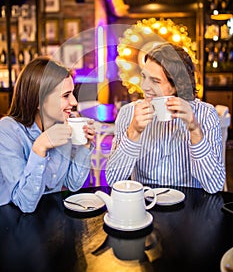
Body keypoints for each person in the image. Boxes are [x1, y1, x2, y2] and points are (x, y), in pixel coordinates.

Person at [106, 43, 225, 194]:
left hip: (189, 207)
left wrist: (195, 130)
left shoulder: (206, 114)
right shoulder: (128, 113)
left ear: (177, 85)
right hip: (145, 206)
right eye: (144, 77)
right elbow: (113, 180)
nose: (145, 87)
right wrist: (133, 132)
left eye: (155, 81)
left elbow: (215, 186)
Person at [0, 57, 96, 213]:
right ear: (39, 101)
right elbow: (25, 204)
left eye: (72, 93)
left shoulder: (64, 123)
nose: (74, 102)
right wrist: (40, 147)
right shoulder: (7, 130)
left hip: (50, 218)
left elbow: (73, 184)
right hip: (12, 223)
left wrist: (84, 146)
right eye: (66, 95)